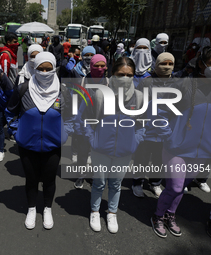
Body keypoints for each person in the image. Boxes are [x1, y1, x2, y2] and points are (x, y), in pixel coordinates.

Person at [150, 46, 211, 238]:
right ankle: (157, 216)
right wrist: (170, 136)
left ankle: (170, 215)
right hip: (177, 148)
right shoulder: (182, 85)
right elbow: (159, 111)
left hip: (201, 151)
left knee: (182, 188)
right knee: (175, 187)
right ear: (201, 63)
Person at [5, 52, 69, 230]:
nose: (44, 72)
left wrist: (64, 132)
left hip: (53, 147)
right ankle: (32, 208)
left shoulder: (63, 90)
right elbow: (10, 112)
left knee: (49, 180)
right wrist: (16, 130)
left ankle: (47, 208)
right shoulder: (23, 89)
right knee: (31, 180)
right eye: (40, 69)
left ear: (54, 69)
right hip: (28, 146)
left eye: (49, 69)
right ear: (35, 69)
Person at [82, 56, 145, 234]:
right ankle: (94, 211)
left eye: (129, 75)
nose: (125, 78)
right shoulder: (100, 94)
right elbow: (86, 120)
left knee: (116, 184)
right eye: (120, 74)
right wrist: (92, 140)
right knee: (99, 183)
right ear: (112, 74)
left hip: (124, 152)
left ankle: (112, 212)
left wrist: (134, 143)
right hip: (100, 150)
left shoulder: (139, 98)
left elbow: (143, 125)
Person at [132, 52, 176, 198]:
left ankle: (155, 183)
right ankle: (137, 182)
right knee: (142, 158)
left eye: (170, 64)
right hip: (146, 130)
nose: (167, 67)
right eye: (163, 63)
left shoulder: (177, 83)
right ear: (156, 65)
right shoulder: (146, 82)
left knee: (159, 159)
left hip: (165, 132)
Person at [73, 54, 108, 189]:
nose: (99, 69)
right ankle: (81, 176)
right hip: (84, 124)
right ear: (91, 66)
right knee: (83, 152)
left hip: (102, 126)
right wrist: (76, 125)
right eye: (96, 66)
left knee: (98, 153)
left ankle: (94, 176)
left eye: (102, 66)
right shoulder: (82, 82)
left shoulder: (108, 82)